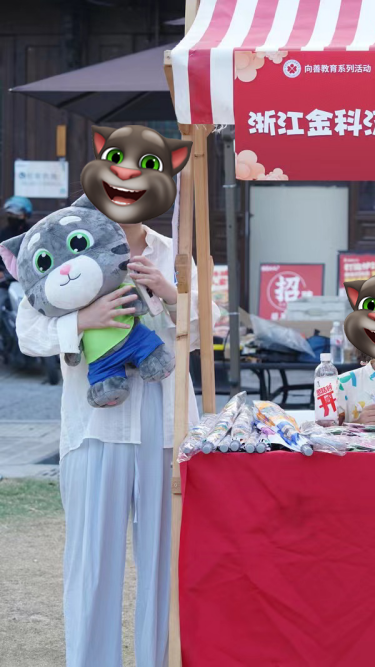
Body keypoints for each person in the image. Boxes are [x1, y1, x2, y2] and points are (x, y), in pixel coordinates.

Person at [15, 198, 217, 667]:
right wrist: (81, 322)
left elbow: (209, 331)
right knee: (92, 561)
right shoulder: (66, 238)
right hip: (94, 425)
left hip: (166, 421)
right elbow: (29, 331)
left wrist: (171, 293)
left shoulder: (176, 251)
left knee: (165, 562)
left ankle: (159, 659)